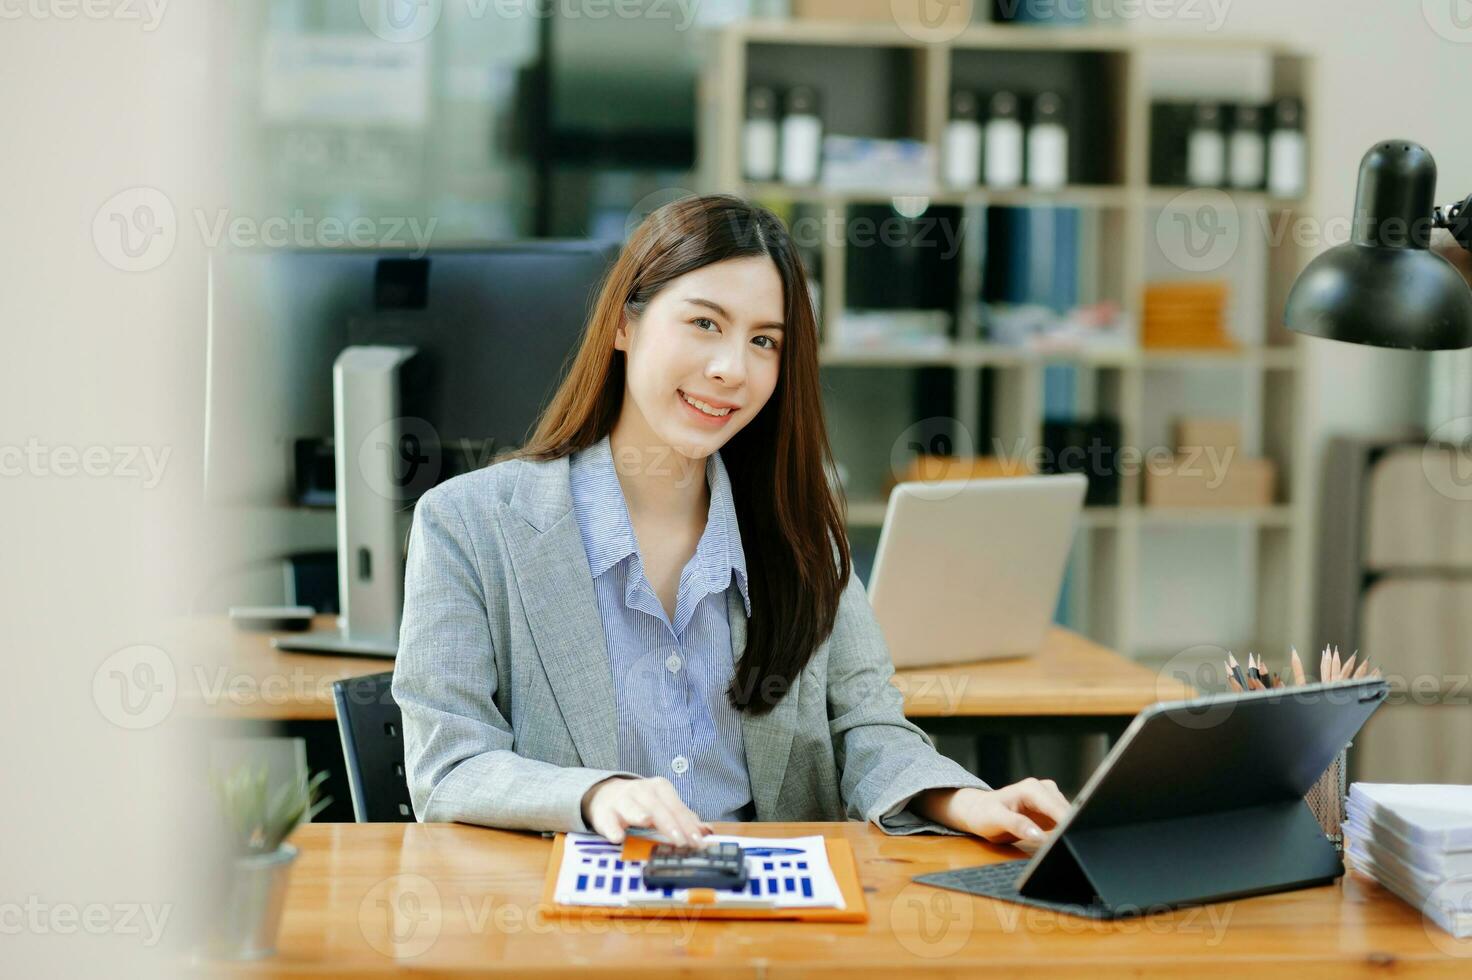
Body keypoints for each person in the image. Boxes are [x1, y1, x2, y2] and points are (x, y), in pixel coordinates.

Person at [393, 194, 1070, 848]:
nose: (730, 370)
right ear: (625, 324)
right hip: (575, 918)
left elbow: (866, 730)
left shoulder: (798, 534)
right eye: (705, 324)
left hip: (771, 926)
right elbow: (449, 767)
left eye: (764, 341)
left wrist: (964, 800)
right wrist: (595, 795)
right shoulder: (470, 525)